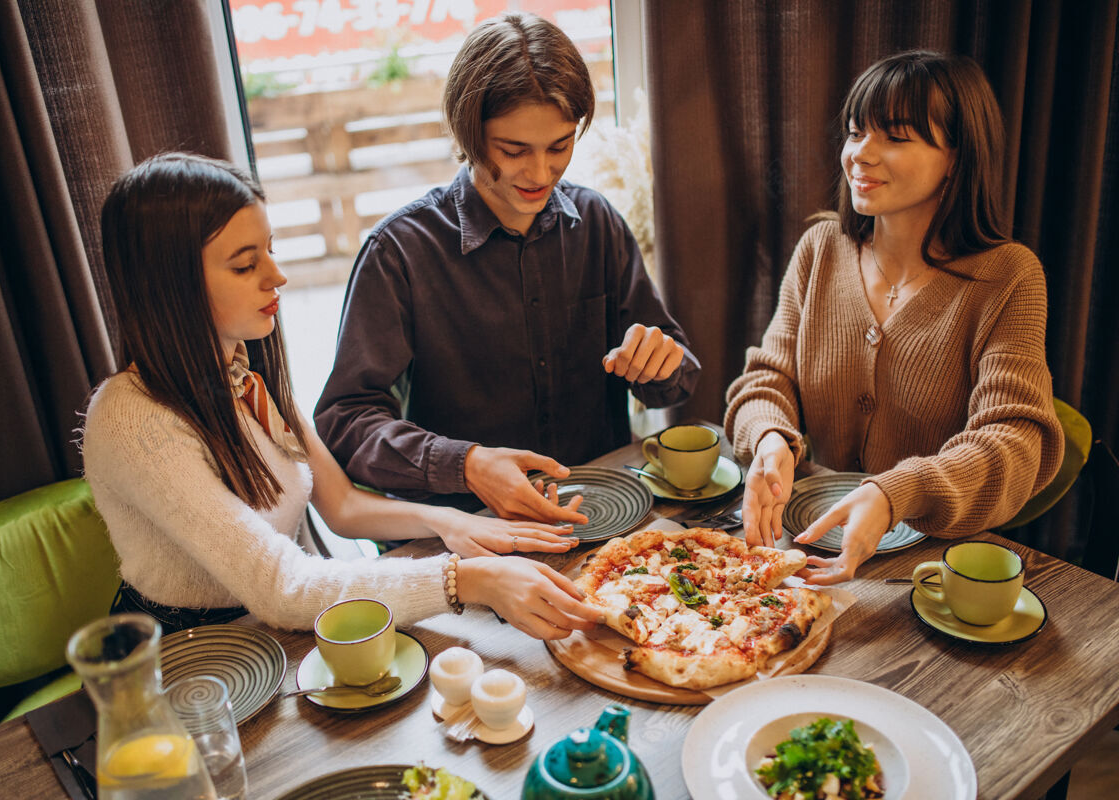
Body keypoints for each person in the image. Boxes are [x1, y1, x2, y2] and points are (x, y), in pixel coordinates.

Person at [81, 152, 602, 639]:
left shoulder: (244, 371)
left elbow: (344, 506)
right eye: (244, 265)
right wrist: (468, 580)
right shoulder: (132, 420)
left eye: (270, 249)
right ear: (169, 286)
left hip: (274, 637)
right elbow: (285, 589)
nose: (276, 275)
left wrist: (455, 523)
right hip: (188, 653)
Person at [314, 13, 700, 525]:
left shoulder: (597, 223)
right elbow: (345, 419)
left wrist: (661, 361)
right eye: (514, 151)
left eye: (559, 147)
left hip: (605, 520)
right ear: (468, 132)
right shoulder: (399, 253)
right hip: (469, 530)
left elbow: (675, 379)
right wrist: (466, 465)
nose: (541, 175)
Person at [724, 51, 1063, 584]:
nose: (861, 153)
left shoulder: (1009, 277)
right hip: (807, 543)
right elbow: (769, 378)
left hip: (931, 572)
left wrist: (894, 492)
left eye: (896, 137)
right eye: (856, 132)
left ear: (957, 155)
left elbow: (1014, 440)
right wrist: (770, 437)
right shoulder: (821, 248)